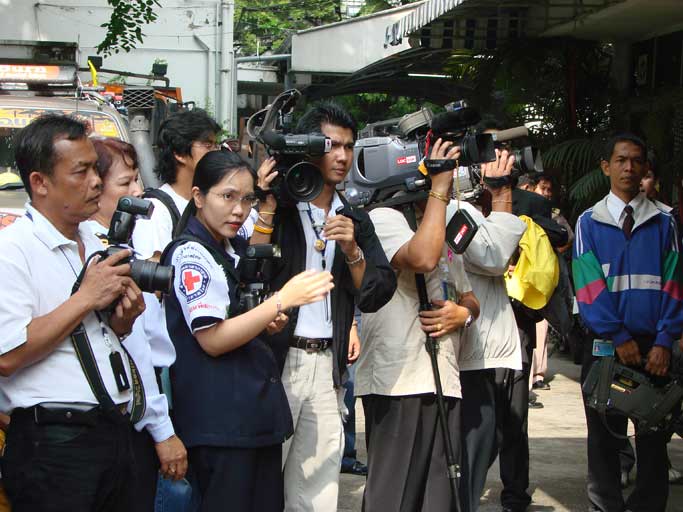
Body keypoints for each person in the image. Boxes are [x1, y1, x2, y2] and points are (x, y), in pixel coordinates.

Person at [162, 150, 334, 511]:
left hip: (249, 421)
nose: (239, 210)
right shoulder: (192, 254)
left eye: (246, 199)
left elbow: (235, 321)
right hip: (221, 426)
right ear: (198, 197)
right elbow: (212, 339)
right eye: (227, 196)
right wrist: (281, 301)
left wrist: (263, 319)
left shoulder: (231, 248)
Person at [0, 114, 146, 511]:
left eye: (96, 170)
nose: (96, 182)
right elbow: (8, 356)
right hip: (54, 446)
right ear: (40, 182)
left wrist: (123, 320)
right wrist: (86, 298)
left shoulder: (96, 242)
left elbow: (96, 334)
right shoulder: (12, 250)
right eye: (81, 172)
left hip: (113, 431)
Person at [261, 102, 397, 512]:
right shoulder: (280, 208)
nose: (341, 155)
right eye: (331, 145)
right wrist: (265, 201)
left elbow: (376, 292)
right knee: (262, 479)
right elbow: (251, 271)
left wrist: (353, 251)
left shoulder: (354, 218)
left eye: (348, 146)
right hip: (277, 362)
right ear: (307, 147)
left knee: (318, 489)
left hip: (328, 366)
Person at [356, 137, 480, 512]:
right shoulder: (381, 218)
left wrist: (463, 314)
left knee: (437, 499)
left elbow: (468, 295)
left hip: (443, 377)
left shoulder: (435, 223)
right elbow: (423, 258)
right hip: (399, 381)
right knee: (393, 499)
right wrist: (440, 189)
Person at [573, 133, 683, 512]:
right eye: (620, 160)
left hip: (655, 349)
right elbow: (588, 286)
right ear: (606, 167)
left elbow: (675, 284)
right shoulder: (589, 222)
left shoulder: (664, 222)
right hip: (606, 347)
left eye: (636, 161)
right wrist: (617, 335)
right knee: (603, 439)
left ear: (645, 168)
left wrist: (665, 340)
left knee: (653, 440)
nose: (628, 168)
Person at [86, 137, 189, 510]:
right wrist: (162, 430)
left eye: (137, 179)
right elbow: (133, 347)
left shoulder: (127, 240)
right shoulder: (96, 257)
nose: (137, 191)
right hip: (131, 405)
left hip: (150, 392)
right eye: (125, 182)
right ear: (93, 187)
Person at [456, 148, 527, 512]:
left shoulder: (473, 210)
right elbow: (495, 256)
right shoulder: (455, 210)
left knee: (491, 440)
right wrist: (501, 193)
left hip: (489, 350)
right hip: (473, 355)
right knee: (472, 452)